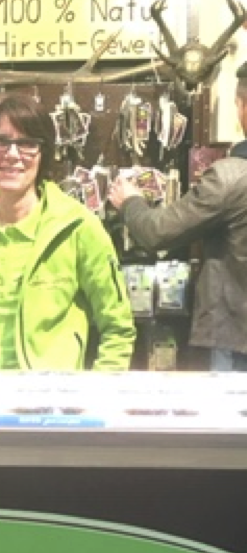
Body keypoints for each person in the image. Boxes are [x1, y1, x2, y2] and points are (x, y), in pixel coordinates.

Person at [0, 94, 135, 371]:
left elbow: (118, 328)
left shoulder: (78, 227)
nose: (12, 154)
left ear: (43, 154)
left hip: (51, 396)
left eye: (27, 144)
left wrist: (94, 390)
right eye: (0, 141)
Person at [108, 63, 247, 371]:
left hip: (237, 341)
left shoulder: (230, 178)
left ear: (242, 108)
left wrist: (130, 201)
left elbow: (157, 231)